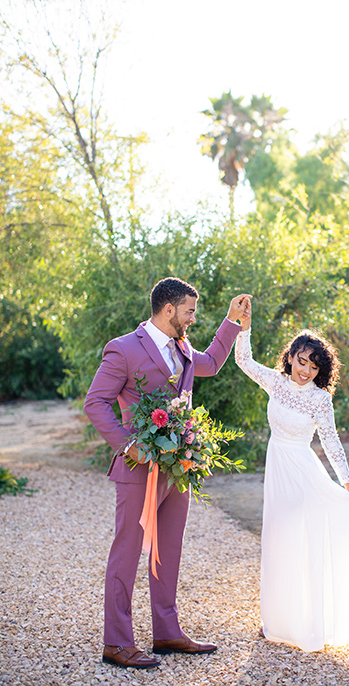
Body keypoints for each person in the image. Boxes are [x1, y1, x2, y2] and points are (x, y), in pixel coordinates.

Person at [84, 277, 249, 669]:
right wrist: (128, 444)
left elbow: (209, 364)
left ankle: (168, 632)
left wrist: (232, 322)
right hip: (139, 469)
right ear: (169, 309)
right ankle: (117, 642)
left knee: (167, 551)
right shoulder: (123, 349)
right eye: (190, 311)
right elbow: (96, 403)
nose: (193, 318)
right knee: (126, 555)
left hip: (179, 467)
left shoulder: (183, 346)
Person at [234, 298, 349, 652]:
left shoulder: (320, 400)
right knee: (276, 540)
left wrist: (346, 481)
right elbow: (242, 360)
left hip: (304, 471)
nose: (305, 371)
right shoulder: (275, 382)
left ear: (321, 371)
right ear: (290, 358)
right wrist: (244, 327)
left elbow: (331, 441)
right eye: (301, 362)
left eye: (313, 367)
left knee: (303, 538)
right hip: (278, 467)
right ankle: (278, 621)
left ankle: (310, 622)